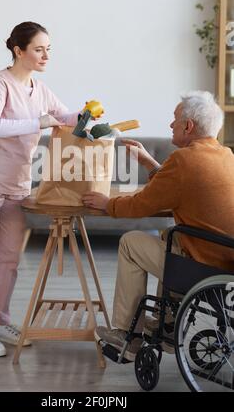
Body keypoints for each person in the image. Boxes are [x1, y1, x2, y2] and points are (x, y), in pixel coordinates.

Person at [83, 91, 234, 361]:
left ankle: (127, 339)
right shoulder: (226, 156)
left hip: (202, 269)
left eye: (174, 120)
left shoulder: (184, 160)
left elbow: (142, 205)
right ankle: (168, 324)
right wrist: (149, 163)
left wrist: (108, 204)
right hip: (225, 263)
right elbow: (175, 187)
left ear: (188, 126)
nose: (170, 125)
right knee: (171, 239)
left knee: (131, 243)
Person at [0, 21, 81, 357]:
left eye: (48, 49)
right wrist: (38, 123)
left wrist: (84, 116)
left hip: (16, 185)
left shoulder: (39, 89)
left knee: (8, 260)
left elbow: (63, 115)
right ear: (19, 50)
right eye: (39, 49)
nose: (46, 55)